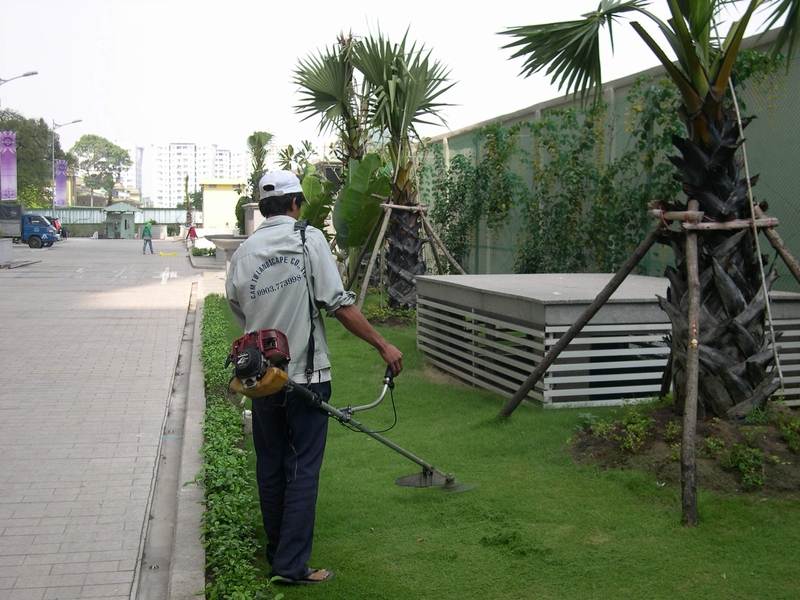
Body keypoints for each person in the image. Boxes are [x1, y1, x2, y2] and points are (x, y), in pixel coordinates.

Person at [225, 171, 403, 585]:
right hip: (307, 377)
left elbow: (240, 313)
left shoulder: (244, 253)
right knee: (302, 468)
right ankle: (290, 566)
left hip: (260, 379)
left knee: (270, 467)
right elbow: (338, 303)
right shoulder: (307, 239)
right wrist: (383, 345)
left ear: (263, 208)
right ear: (295, 204)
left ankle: (278, 553)